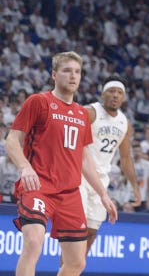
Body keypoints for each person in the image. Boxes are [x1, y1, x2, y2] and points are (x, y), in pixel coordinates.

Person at [5, 51, 118, 276]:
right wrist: (24, 166)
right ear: (54, 75)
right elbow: (12, 140)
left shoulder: (81, 113)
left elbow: (84, 159)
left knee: (77, 262)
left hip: (69, 192)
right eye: (67, 70)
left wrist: (102, 193)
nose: (73, 76)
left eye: (77, 72)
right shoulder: (39, 102)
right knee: (34, 242)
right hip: (38, 187)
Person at [80, 75, 141, 255]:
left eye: (119, 92)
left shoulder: (124, 123)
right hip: (80, 178)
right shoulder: (90, 112)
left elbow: (126, 158)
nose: (115, 95)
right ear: (103, 93)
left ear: (124, 97)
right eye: (111, 91)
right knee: (76, 232)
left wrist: (135, 187)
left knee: (91, 233)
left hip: (101, 182)